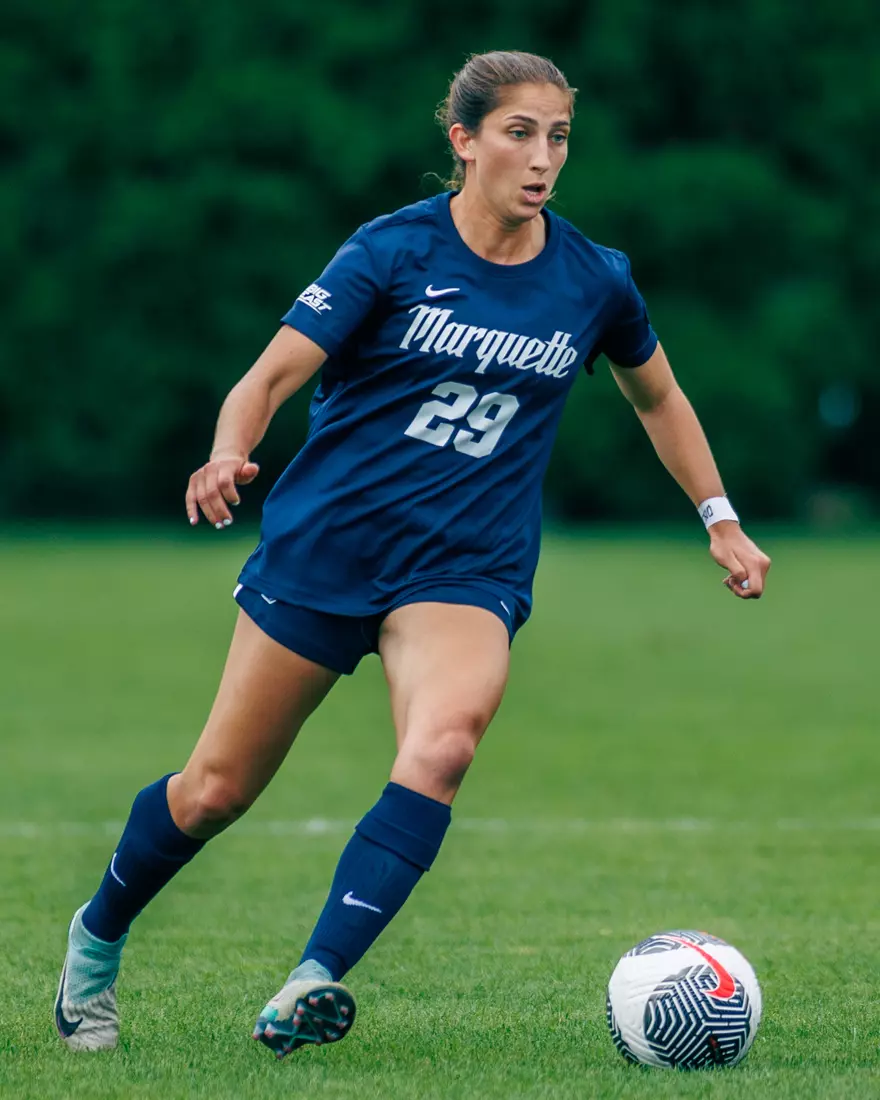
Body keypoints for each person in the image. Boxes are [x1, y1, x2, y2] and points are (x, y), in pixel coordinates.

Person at [54, 49, 771, 1058]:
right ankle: (96, 935)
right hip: (326, 550)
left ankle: (312, 978)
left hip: (462, 569)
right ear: (463, 139)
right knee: (215, 789)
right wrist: (227, 451)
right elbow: (268, 378)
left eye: (557, 136)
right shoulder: (388, 253)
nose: (541, 158)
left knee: (442, 746)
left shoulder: (593, 279)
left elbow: (657, 394)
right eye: (519, 132)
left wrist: (718, 514)